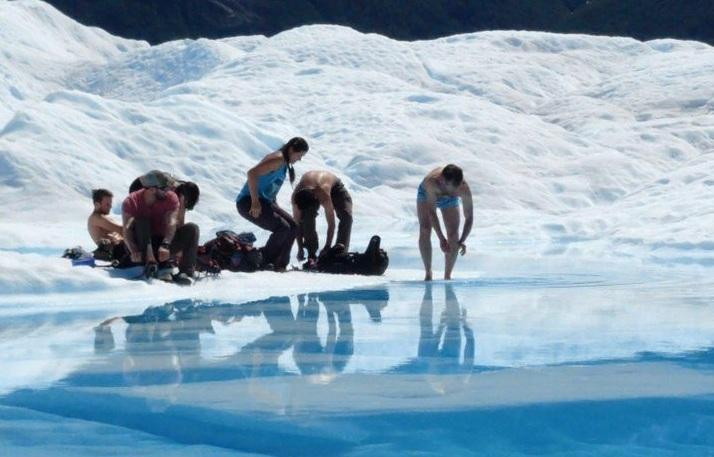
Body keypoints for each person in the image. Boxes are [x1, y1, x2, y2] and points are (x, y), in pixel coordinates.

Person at [236, 137, 309, 271]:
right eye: (299, 155)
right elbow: (252, 173)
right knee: (283, 228)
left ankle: (280, 264)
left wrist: (277, 208)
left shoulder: (284, 164)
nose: (299, 159)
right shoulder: (278, 159)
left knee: (293, 226)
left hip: (264, 201)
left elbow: (270, 190)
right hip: (248, 201)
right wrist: (255, 202)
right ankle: (263, 261)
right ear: (292, 150)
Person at [121, 172, 198, 283]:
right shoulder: (131, 202)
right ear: (152, 189)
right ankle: (152, 264)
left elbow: (172, 223)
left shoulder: (171, 197)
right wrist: (133, 249)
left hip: (160, 244)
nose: (169, 191)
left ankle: (185, 272)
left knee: (192, 228)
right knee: (142, 221)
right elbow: (127, 230)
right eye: (165, 188)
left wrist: (166, 244)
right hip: (142, 243)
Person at [417, 164, 473, 281]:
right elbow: (432, 213)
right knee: (425, 229)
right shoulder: (431, 182)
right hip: (427, 194)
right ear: (441, 180)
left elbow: (469, 217)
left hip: (450, 201)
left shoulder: (462, 188)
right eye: (449, 187)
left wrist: (461, 240)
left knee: (453, 235)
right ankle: (428, 272)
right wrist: (441, 239)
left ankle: (447, 275)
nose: (451, 191)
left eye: (455, 188)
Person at [292, 170, 352, 264]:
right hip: (310, 189)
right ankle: (311, 253)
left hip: (335, 187)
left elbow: (331, 224)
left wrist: (327, 246)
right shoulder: (296, 198)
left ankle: (341, 252)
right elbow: (297, 224)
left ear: (316, 198)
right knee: (307, 218)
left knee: (346, 217)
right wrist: (300, 248)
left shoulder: (323, 193)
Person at [87, 189, 127, 262]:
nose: (110, 206)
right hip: (115, 252)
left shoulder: (103, 217)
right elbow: (121, 230)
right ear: (97, 204)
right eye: (107, 204)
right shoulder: (96, 218)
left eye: (111, 204)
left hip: (120, 249)